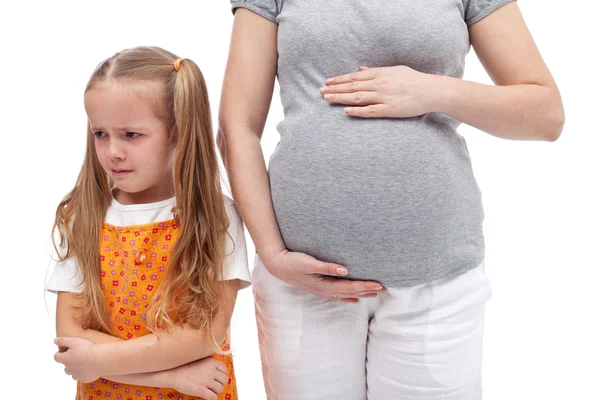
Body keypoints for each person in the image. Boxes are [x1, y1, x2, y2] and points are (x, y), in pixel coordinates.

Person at [218, 0, 564, 399]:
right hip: (303, 282)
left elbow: (546, 115)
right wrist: (272, 253)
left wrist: (433, 90)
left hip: (437, 284)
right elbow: (237, 126)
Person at [46, 46, 252, 400]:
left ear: (178, 132)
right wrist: (171, 375)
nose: (113, 151)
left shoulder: (214, 216)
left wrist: (97, 361)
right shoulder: (83, 217)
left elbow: (204, 335)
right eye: (100, 134)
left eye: (131, 135)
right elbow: (71, 334)